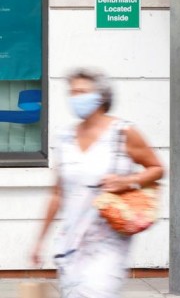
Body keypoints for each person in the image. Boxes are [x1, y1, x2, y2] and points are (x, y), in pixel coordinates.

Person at [31, 68, 165, 298]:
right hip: (72, 243)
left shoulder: (122, 132)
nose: (75, 97)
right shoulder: (64, 137)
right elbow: (57, 193)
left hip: (108, 241)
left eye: (82, 91)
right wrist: (39, 240)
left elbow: (157, 169)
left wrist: (127, 180)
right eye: (72, 92)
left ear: (101, 96)